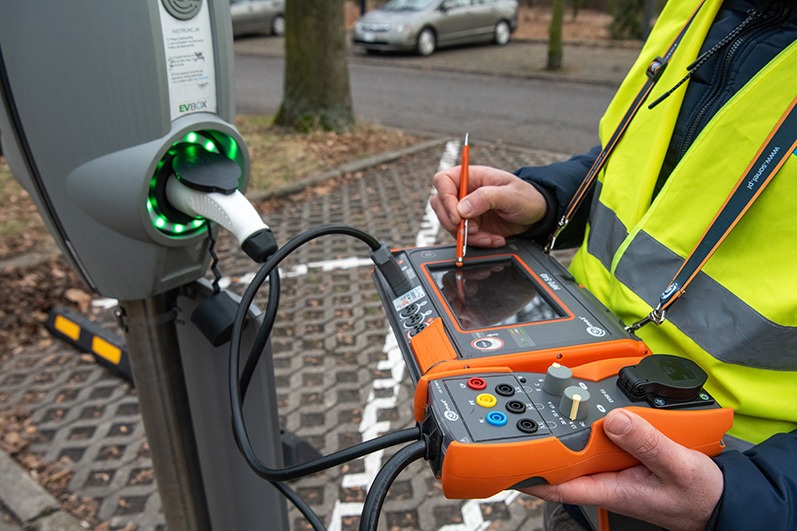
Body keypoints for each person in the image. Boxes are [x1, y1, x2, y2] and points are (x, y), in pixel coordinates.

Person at [431, 0, 797, 529]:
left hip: (723, 483)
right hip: (576, 415)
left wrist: (749, 499)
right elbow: (646, 164)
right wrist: (548, 199)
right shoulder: (696, 8)